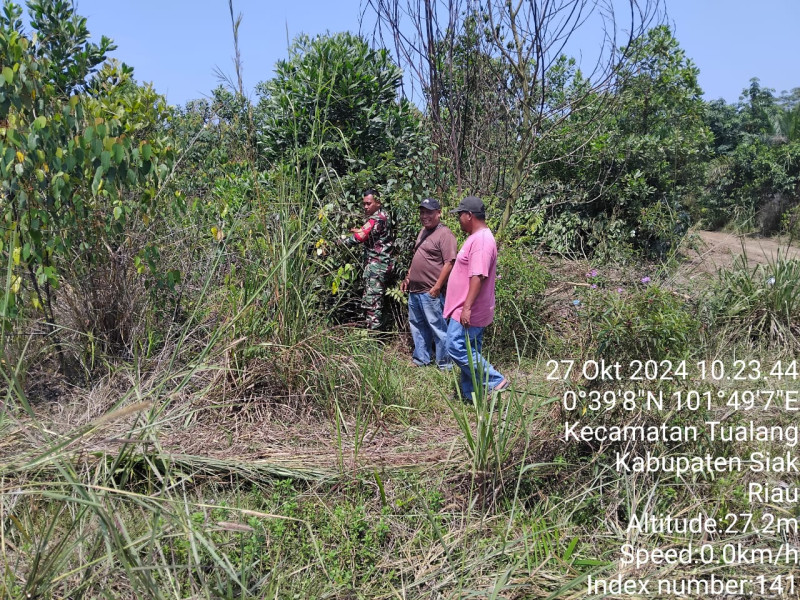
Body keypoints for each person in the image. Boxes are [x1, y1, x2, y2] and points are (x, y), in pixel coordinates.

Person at [444, 195, 509, 401]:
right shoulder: (478, 237)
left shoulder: (481, 241)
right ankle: (471, 395)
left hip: (469, 308)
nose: (458, 220)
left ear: (469, 215)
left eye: (460, 215)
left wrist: (467, 307)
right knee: (470, 351)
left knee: (455, 346)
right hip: (467, 307)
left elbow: (478, 275)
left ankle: (494, 380)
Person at [401, 198, 457, 368]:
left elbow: (450, 263)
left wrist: (437, 287)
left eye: (429, 212)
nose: (425, 216)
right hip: (415, 290)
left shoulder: (445, 234)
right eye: (422, 212)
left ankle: (445, 365)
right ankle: (421, 359)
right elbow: (417, 257)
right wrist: (408, 278)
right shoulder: (422, 231)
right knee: (417, 326)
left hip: (430, 292)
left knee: (438, 329)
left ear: (439, 213)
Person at [344, 189, 394, 330]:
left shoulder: (377, 218)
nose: (365, 207)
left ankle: (375, 340)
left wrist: (339, 242)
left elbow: (359, 237)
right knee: (376, 301)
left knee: (372, 304)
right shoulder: (383, 216)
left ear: (378, 202)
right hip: (380, 265)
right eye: (364, 204)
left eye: (369, 203)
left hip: (376, 267)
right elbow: (365, 232)